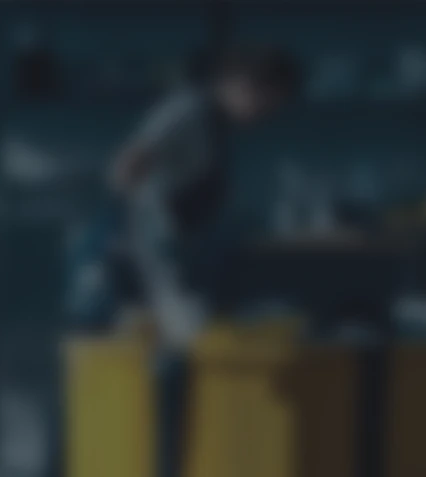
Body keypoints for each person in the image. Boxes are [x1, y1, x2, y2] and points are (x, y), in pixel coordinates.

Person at [73, 45, 300, 477]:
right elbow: (125, 168)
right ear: (241, 83)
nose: (264, 112)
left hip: (158, 259)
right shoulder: (185, 112)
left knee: (166, 363)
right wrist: (146, 223)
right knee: (95, 372)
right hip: (123, 253)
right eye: (266, 100)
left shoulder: (214, 124)